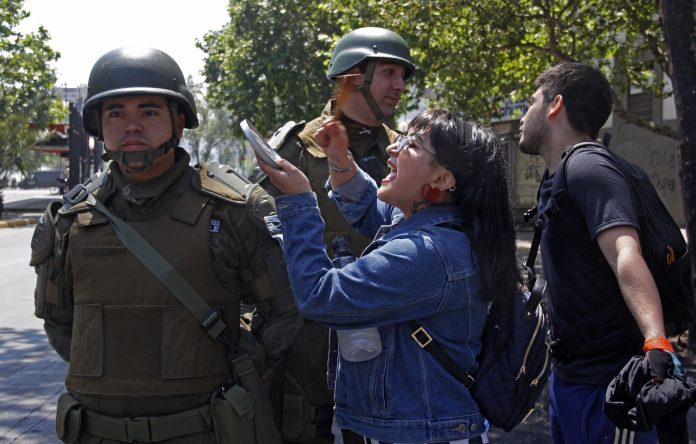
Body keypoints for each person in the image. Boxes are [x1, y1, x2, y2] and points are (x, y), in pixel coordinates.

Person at [29, 47, 300, 443]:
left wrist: (238, 374)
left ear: (179, 121)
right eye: (115, 113)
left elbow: (284, 314)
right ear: (98, 125)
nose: (131, 126)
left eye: (149, 112)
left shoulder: (232, 210)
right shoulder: (69, 220)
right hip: (97, 432)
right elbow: (60, 325)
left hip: (204, 430)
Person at [257, 109, 521, 443]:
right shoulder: (432, 223)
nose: (393, 148)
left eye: (413, 145)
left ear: (442, 179)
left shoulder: (429, 252)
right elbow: (369, 206)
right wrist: (339, 158)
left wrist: (299, 202)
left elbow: (321, 297)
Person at [253, 27, 416, 442]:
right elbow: (255, 243)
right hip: (307, 348)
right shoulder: (295, 149)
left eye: (403, 75)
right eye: (389, 73)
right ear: (353, 78)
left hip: (390, 346)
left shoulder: (407, 152)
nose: (400, 85)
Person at [518, 62, 673, 443]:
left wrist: (656, 340)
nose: (523, 115)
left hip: (610, 389)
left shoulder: (588, 167)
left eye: (531, 102)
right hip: (571, 379)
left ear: (555, 105)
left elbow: (624, 252)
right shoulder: (557, 176)